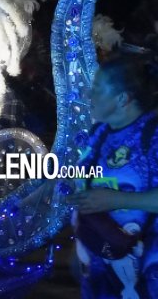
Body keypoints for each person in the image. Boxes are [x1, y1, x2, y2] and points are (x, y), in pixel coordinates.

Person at [67, 56, 158, 298]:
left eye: (97, 89)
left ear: (122, 99)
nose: (89, 95)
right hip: (99, 264)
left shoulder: (152, 135)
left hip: (146, 272)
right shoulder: (100, 131)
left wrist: (117, 200)